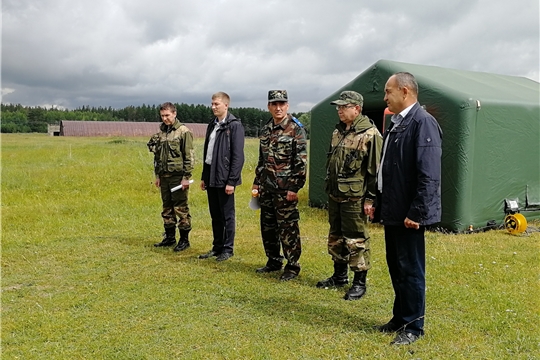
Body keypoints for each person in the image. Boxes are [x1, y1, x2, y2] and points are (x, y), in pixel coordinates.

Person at [375, 72, 442, 345]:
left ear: (405, 92)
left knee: (411, 269)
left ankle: (414, 326)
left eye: (388, 91)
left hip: (408, 213)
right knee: (397, 266)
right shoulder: (398, 123)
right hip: (393, 209)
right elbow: (387, 169)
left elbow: (429, 174)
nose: (385, 96)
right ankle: (400, 317)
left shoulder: (422, 123)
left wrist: (417, 212)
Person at [316, 91, 382, 301]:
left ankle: (359, 283)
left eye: (344, 107)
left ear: (357, 109)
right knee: (336, 237)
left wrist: (370, 200)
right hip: (335, 195)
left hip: (355, 199)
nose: (339, 110)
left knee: (356, 240)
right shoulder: (338, 132)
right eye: (338, 107)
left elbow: (375, 172)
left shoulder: (370, 134)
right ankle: (339, 276)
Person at [252, 90, 307, 281]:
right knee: (268, 227)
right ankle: (273, 260)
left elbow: (301, 161)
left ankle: (292, 266)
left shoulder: (295, 128)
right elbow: (262, 159)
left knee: (288, 228)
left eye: (282, 104)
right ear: (268, 106)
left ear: (287, 105)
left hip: (285, 189)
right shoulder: (266, 129)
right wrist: (257, 182)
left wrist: (294, 187)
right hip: (267, 187)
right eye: (274, 104)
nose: (278, 107)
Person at [199, 92, 245, 261]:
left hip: (225, 177)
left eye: (216, 104)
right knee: (215, 214)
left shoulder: (234, 126)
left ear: (226, 105)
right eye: (212, 104)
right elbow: (207, 152)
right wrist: (204, 176)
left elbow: (238, 156)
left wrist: (231, 181)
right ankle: (217, 246)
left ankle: (228, 248)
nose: (213, 107)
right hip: (211, 174)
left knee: (227, 215)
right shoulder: (212, 125)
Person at [147, 102, 194, 252]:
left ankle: (184, 240)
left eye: (167, 115)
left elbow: (189, 156)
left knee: (180, 208)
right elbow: (157, 157)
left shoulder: (183, 131)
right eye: (162, 116)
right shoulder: (161, 133)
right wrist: (158, 176)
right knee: (167, 208)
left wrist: (186, 177)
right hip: (164, 176)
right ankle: (169, 237)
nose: (165, 118)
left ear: (174, 113)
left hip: (178, 176)